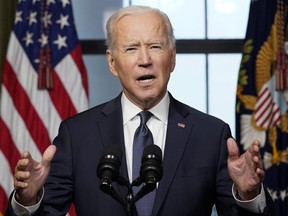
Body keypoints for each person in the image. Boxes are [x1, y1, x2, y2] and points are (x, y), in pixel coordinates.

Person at [5, 5, 275, 216]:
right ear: (112, 63)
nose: (145, 60)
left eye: (155, 47)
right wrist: (27, 200)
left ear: (172, 58)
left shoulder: (211, 134)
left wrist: (249, 195)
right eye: (132, 49)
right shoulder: (77, 134)